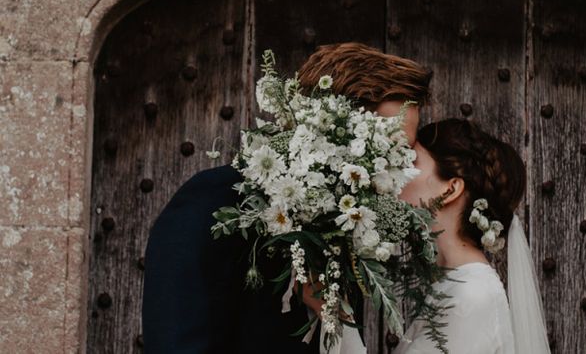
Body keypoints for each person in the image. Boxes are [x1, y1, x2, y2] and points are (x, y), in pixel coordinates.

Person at [142, 42, 433, 354]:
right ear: (335, 127)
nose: (401, 164)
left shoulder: (346, 237)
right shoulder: (215, 201)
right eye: (392, 146)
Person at [306, 118, 551, 354]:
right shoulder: (454, 285)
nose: (397, 172)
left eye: (413, 161)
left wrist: (335, 313)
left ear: (451, 188)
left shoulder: (474, 296)